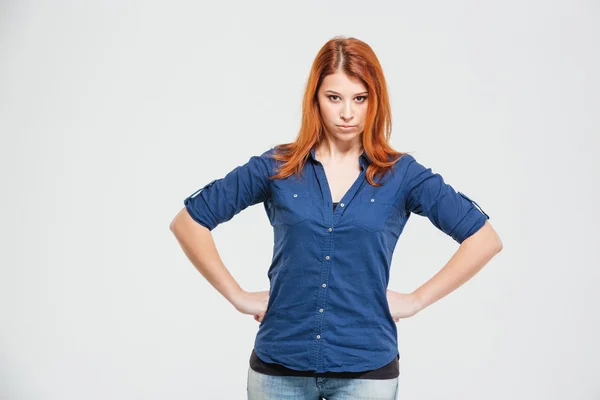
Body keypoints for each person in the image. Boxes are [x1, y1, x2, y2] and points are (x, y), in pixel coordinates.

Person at [169, 36, 503, 400]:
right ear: (315, 99)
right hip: (279, 366)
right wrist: (236, 296)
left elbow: (484, 238)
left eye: (360, 98)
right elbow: (189, 221)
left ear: (375, 101)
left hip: (366, 372)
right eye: (334, 98)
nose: (347, 113)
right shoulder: (277, 167)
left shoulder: (402, 174)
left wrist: (417, 299)